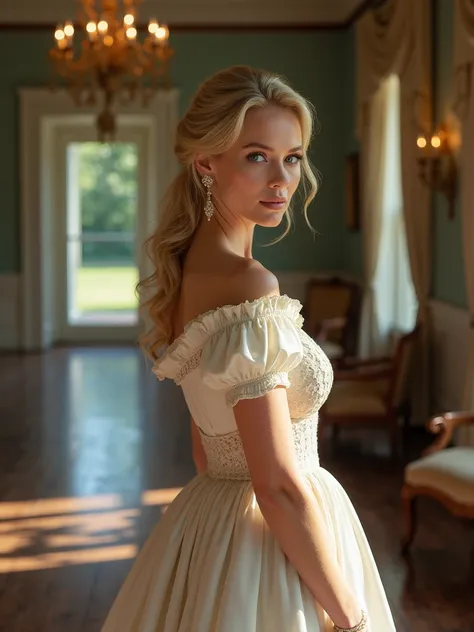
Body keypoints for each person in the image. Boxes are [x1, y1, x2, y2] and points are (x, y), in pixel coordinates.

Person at [101, 65, 396, 632]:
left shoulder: (189, 274)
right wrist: (352, 616)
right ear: (206, 162)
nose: (281, 180)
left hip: (215, 528)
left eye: (293, 156)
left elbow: (207, 452)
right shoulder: (247, 285)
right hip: (275, 539)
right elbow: (279, 485)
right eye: (257, 156)